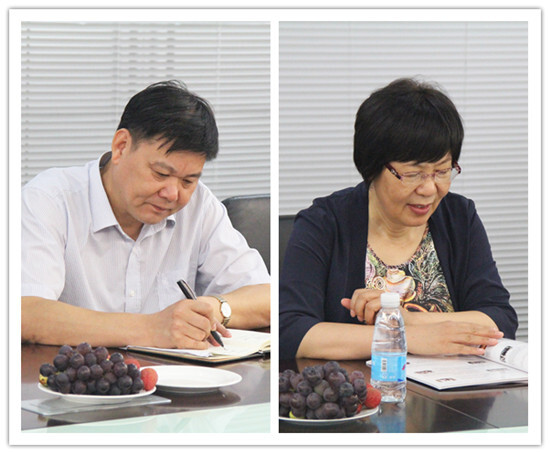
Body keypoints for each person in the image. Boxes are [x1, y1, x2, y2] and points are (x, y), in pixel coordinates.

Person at [279, 78, 518, 360]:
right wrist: (404, 337)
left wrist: (409, 319)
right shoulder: (324, 223)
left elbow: (499, 319)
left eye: (442, 171)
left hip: (453, 386)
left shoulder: (459, 217)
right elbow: (291, 331)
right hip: (362, 386)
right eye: (413, 174)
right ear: (372, 167)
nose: (429, 189)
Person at [22, 80, 270, 349]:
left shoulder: (199, 205)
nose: (172, 193)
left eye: (188, 181)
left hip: (179, 374)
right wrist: (151, 328)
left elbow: (266, 297)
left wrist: (213, 309)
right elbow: (24, 312)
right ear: (121, 146)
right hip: (79, 373)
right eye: (160, 174)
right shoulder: (48, 200)